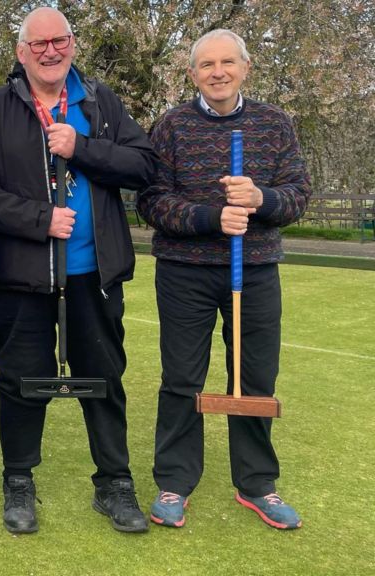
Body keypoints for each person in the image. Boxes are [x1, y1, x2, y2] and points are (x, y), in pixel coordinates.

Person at [0, 7, 158, 534]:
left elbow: (144, 166)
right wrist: (39, 219)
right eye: (38, 43)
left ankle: (114, 483)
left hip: (95, 272)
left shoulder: (101, 102)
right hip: (20, 277)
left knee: (105, 378)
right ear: (21, 52)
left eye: (60, 40)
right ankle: (19, 481)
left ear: (73, 43)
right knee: (22, 381)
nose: (51, 50)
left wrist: (82, 147)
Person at [138, 29, 309, 531]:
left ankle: (257, 484)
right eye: (206, 64)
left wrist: (260, 200)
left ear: (245, 67)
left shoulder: (274, 124)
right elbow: (151, 201)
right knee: (182, 380)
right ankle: (175, 480)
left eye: (227, 63)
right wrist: (212, 217)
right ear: (192, 73)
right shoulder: (170, 126)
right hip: (184, 274)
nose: (217, 72)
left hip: (254, 271)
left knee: (255, 378)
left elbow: (298, 193)